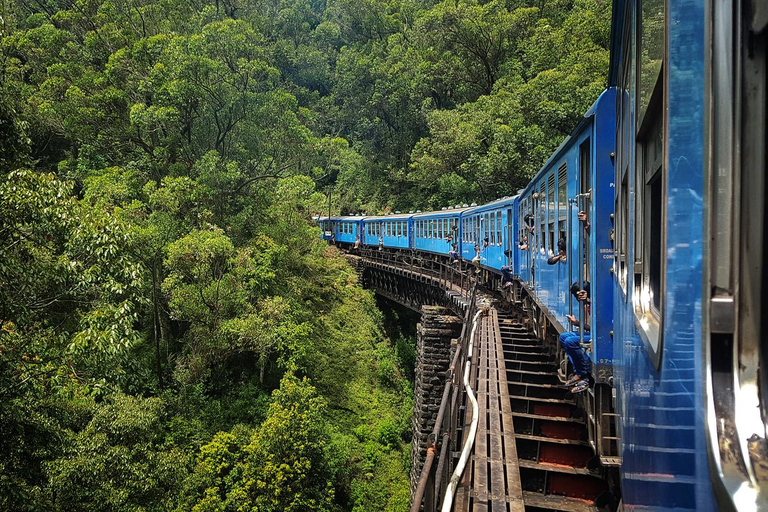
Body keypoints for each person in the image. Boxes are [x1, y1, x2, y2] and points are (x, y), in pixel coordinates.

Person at [560, 281, 591, 393]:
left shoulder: (593, 303)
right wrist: (576, 323)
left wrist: (589, 301)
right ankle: (577, 371)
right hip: (595, 333)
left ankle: (583, 374)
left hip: (601, 336)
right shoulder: (588, 304)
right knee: (563, 337)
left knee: (570, 342)